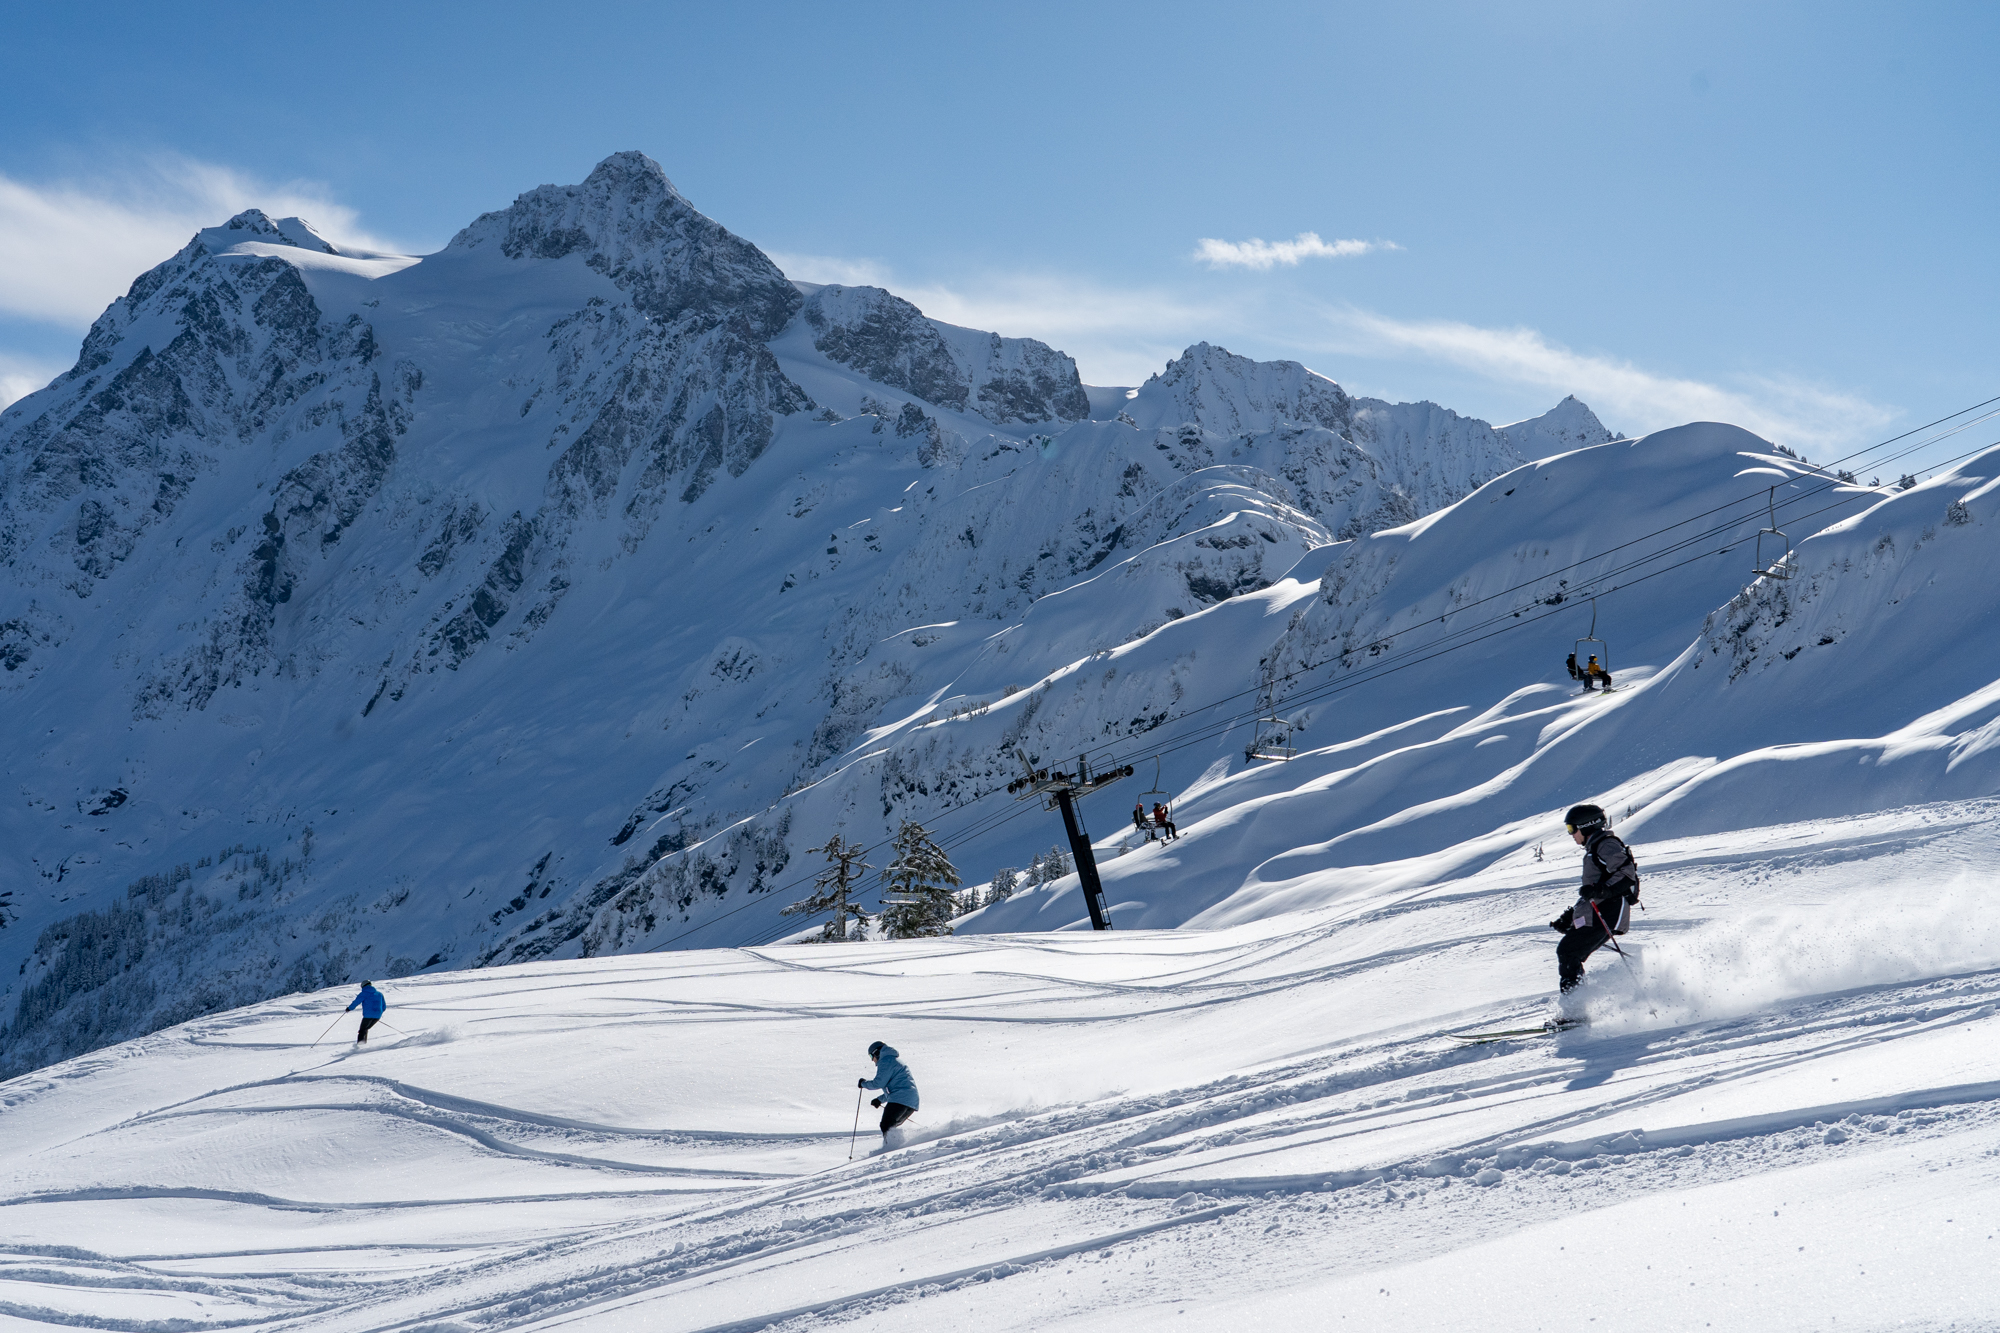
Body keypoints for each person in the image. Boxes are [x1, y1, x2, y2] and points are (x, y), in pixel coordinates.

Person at [1549, 804, 1640, 994]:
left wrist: (1600, 891)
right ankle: (1576, 1007)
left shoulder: (1606, 844)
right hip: (1603, 911)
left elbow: (1626, 875)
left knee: (1569, 951)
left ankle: (1575, 1011)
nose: (1571, 834)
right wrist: (1571, 917)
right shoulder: (1595, 848)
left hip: (1610, 911)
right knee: (1569, 951)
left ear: (1587, 826)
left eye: (1572, 829)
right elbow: (1593, 891)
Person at [858, 1040, 919, 1146]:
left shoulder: (885, 1060)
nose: (872, 1060)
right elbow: (894, 1088)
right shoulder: (892, 1059)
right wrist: (879, 1100)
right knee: (890, 1127)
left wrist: (863, 1083)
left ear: (876, 1052)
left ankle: (891, 1149)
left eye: (871, 1056)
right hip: (910, 1101)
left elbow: (879, 1083)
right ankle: (896, 1146)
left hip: (900, 1099)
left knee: (886, 1125)